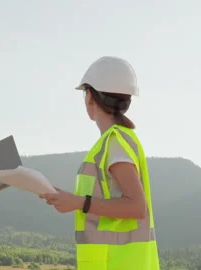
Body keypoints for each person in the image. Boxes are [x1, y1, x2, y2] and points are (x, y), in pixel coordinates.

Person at [40, 56, 160, 269]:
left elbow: (136, 206)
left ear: (89, 97)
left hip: (116, 263)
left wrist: (78, 203)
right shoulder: (116, 140)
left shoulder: (115, 143)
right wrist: (70, 199)